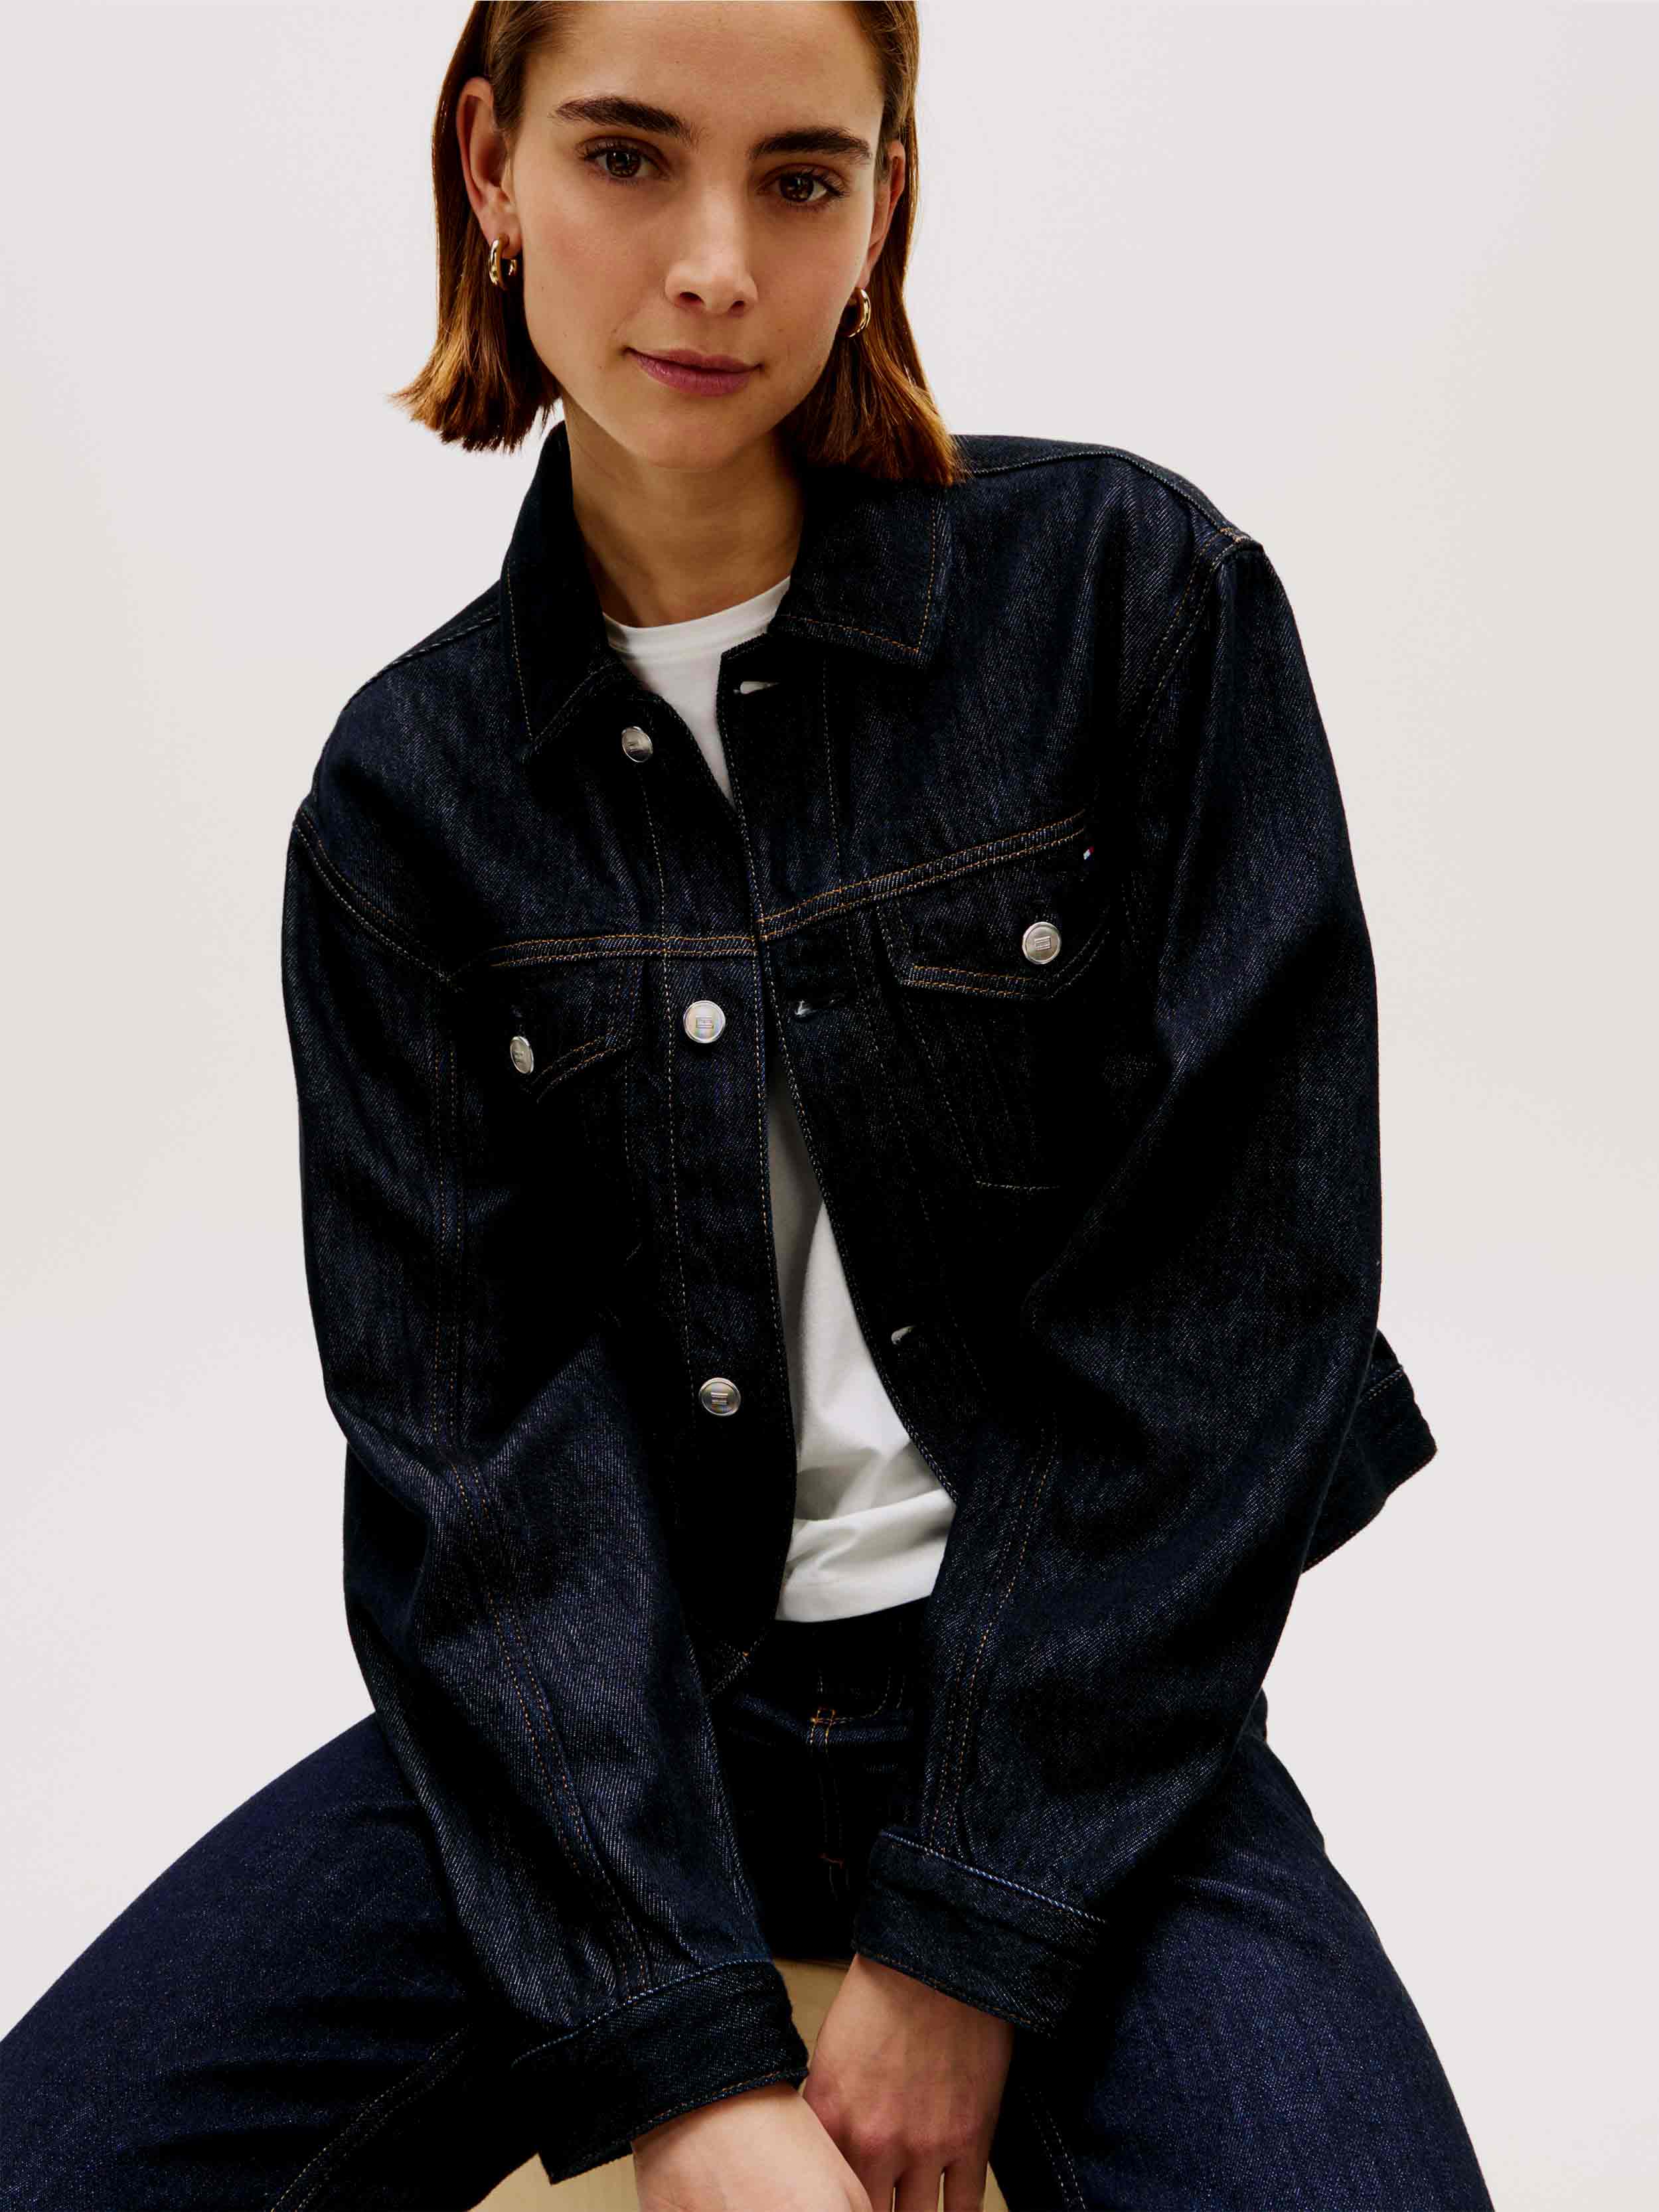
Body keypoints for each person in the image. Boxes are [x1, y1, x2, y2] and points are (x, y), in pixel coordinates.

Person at [0, 5, 1496, 2209]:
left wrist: (967, 1931)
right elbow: (474, 1473)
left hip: (1064, 1713)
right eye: (627, 156)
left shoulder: (1126, 598)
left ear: (884, 201)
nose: (713, 263)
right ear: (491, 167)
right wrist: (682, 2067)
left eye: (799, 177)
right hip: (605, 1735)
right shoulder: (410, 802)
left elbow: (1230, 1315)